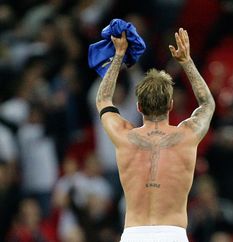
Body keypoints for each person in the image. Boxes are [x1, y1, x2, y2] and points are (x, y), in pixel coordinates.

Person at [95, 28, 215, 242]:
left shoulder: (124, 137)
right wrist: (186, 61)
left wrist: (119, 56)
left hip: (134, 234)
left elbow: (103, 99)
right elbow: (207, 103)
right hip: (173, 234)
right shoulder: (187, 136)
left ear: (138, 106)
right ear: (171, 105)